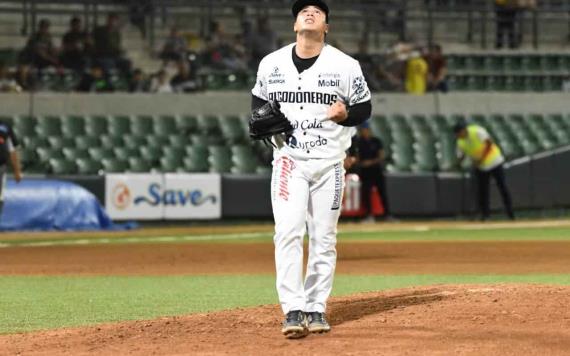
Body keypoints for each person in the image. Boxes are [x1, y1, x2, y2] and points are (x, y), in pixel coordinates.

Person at [251, 0, 371, 339]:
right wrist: (262, 118)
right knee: (287, 232)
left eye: (318, 12)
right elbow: (258, 103)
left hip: (330, 163)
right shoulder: (271, 64)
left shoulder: (346, 66)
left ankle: (316, 306)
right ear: (294, 25)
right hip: (289, 161)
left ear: (326, 27)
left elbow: (364, 108)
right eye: (303, 10)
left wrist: (346, 114)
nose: (309, 12)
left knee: (324, 238)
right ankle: (293, 308)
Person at [454, 122, 514, 221]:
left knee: (502, 186)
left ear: (464, 130)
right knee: (483, 191)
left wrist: (481, 159)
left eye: (459, 133)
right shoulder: (460, 142)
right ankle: (485, 215)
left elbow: (489, 143)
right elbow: (461, 155)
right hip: (481, 167)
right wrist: (458, 164)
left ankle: (510, 213)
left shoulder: (477, 131)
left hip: (494, 162)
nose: (459, 136)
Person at [350, 122, 390, 222]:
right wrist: (362, 163)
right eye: (363, 130)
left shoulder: (376, 141)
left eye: (366, 129)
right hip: (365, 171)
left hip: (376, 170)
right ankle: (369, 215)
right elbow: (356, 158)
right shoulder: (359, 142)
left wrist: (371, 162)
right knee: (366, 194)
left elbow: (381, 156)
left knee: (382, 192)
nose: (365, 131)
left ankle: (387, 215)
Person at [0, 119, 22, 220]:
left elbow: (12, 150)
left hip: (1, 167)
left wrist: (17, 171)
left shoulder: (5, 127)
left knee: (0, 196)